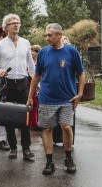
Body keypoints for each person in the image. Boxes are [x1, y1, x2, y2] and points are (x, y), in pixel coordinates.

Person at [26, 23, 85, 175]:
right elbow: (36, 76)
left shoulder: (71, 51)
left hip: (67, 99)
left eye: (50, 35)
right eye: (46, 35)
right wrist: (30, 97)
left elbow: (81, 73)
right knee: (47, 129)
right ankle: (49, 162)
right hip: (46, 99)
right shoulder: (44, 53)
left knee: (66, 126)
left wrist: (80, 93)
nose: (47, 38)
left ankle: (68, 158)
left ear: (59, 35)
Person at [0, 13, 35, 161]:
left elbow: (31, 65)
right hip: (7, 83)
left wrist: (36, 82)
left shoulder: (26, 43)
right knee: (8, 117)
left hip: (23, 82)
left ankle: (26, 149)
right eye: (13, 23)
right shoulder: (0, 45)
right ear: (6, 27)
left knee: (25, 116)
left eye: (18, 22)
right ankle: (13, 148)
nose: (16, 25)